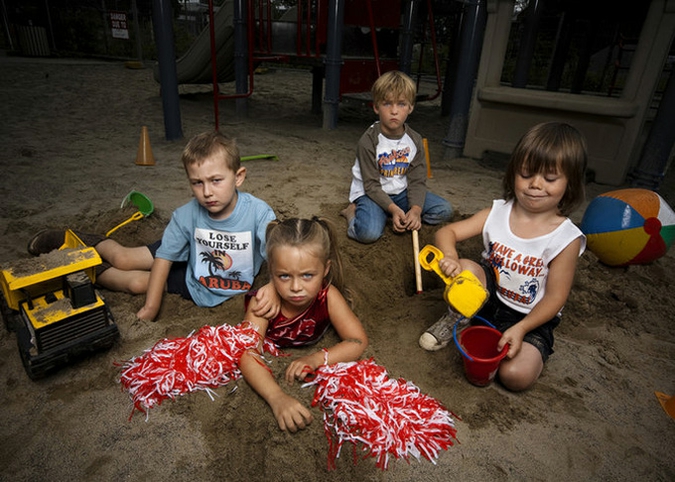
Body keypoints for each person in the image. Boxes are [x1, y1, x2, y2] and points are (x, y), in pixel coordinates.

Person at [27, 131, 278, 322]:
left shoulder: (258, 213)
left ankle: (91, 271)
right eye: (197, 183)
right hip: (191, 262)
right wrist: (151, 308)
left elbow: (280, 254)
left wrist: (273, 288)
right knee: (124, 259)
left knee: (136, 284)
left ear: (239, 177)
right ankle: (77, 238)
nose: (207, 192)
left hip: (200, 280)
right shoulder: (187, 215)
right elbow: (164, 258)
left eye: (216, 181)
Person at [419, 122, 587, 392]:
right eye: (526, 174)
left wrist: (521, 329)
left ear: (570, 184)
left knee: (515, 376)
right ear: (513, 174)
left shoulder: (565, 238)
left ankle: (528, 350)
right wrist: (449, 256)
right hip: (488, 298)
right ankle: (459, 318)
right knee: (466, 268)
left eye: (550, 178)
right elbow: (447, 231)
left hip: (531, 317)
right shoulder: (497, 213)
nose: (535, 184)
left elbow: (556, 299)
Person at [239, 217, 368, 432]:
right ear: (271, 270)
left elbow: (357, 340)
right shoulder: (263, 303)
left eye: (307, 275)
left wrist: (317, 358)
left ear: (325, 269)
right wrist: (277, 397)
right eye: (284, 276)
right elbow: (246, 352)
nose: (296, 287)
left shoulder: (327, 296)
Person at [341, 70, 452, 244]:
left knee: (443, 209)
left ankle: (391, 215)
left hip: (400, 192)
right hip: (371, 194)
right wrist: (393, 209)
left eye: (401, 104)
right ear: (376, 107)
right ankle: (352, 214)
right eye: (387, 104)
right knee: (368, 233)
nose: (394, 111)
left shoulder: (414, 140)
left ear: (411, 107)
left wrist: (415, 210)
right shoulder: (368, 140)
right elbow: (370, 185)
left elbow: (417, 180)